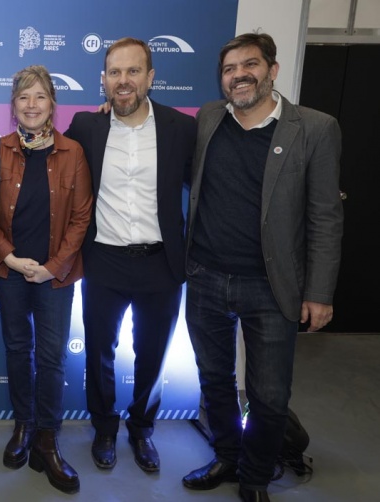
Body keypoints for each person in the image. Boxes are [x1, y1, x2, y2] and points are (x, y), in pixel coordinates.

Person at [181, 33, 343, 502]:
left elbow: (326, 217)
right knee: (214, 381)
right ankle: (228, 457)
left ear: (272, 69)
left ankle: (254, 479)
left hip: (272, 287)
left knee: (269, 396)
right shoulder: (210, 118)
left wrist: (320, 292)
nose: (238, 75)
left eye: (249, 65)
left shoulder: (313, 128)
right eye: (229, 69)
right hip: (206, 277)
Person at [64, 37, 196, 474]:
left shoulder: (180, 128)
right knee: (99, 351)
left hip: (161, 262)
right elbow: (53, 161)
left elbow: (208, 187)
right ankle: (104, 428)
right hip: (104, 260)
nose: (124, 81)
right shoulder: (86, 126)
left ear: (151, 78)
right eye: (115, 73)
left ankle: (141, 429)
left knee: (153, 354)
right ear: (103, 81)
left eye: (133, 71)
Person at [0, 65, 91, 494]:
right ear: (13, 106)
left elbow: (81, 217)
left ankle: (47, 438)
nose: (31, 105)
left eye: (40, 96)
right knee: (16, 349)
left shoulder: (73, 152)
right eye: (23, 97)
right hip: (9, 270)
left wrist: (53, 266)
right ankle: (23, 426)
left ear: (52, 105)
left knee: (50, 357)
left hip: (55, 275)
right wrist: (9, 256)